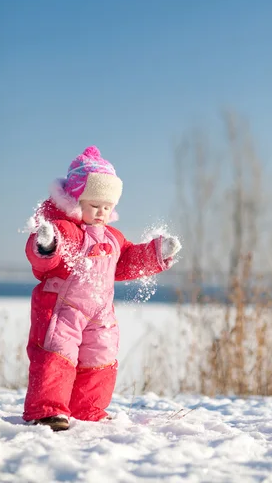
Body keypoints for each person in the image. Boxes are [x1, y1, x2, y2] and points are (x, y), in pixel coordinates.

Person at [23, 145, 181, 431]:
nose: (101, 212)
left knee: (101, 357)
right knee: (57, 353)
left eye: (107, 207)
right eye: (94, 205)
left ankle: (87, 409)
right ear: (75, 201)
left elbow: (128, 260)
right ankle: (47, 410)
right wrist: (46, 244)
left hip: (100, 311)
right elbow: (46, 261)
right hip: (63, 308)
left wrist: (158, 252)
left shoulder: (112, 237)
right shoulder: (66, 230)